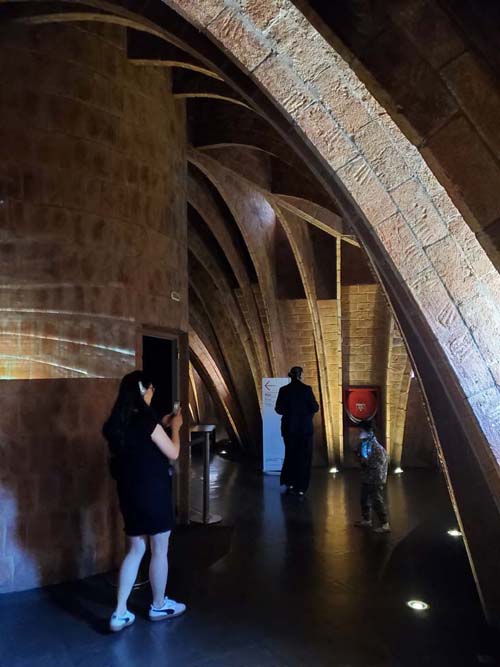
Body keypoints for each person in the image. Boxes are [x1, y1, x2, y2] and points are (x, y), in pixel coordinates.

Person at [103, 370, 186, 632]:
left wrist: (161, 422)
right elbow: (173, 452)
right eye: (150, 390)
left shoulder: (117, 424)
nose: (152, 394)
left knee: (136, 550)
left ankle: (119, 613)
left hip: (129, 495)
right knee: (159, 549)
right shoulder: (147, 424)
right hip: (154, 493)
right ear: (143, 391)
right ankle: (159, 604)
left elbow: (141, 440)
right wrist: (176, 428)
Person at [275, 366, 319, 496]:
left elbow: (278, 409)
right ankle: (301, 487)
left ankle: (290, 482)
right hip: (305, 430)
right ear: (301, 375)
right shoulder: (306, 390)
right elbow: (315, 407)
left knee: (290, 455)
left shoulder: (284, 390)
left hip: (289, 429)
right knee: (304, 458)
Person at [353, 420, 390, 533]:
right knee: (364, 499)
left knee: (376, 500)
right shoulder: (364, 443)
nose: (360, 433)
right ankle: (366, 520)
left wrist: (365, 462)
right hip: (366, 477)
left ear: (369, 432)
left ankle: (385, 524)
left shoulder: (376, 447)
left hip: (375, 478)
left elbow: (380, 462)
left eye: (361, 431)